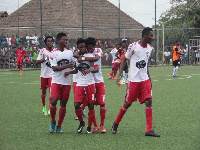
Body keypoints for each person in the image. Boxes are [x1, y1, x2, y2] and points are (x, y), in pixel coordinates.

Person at [112, 27, 160, 137]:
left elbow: (146, 65)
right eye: (151, 36)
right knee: (127, 104)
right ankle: (115, 123)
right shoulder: (133, 46)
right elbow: (124, 59)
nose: (153, 38)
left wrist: (150, 80)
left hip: (145, 80)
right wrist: (119, 75)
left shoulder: (150, 48)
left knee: (149, 102)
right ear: (145, 36)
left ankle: (149, 130)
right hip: (133, 80)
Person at [65, 38, 99, 134]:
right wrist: (69, 72)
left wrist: (90, 70)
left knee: (91, 106)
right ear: (78, 48)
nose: (83, 48)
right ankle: (81, 122)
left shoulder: (91, 56)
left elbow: (96, 69)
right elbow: (77, 69)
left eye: (84, 46)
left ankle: (89, 126)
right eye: (81, 47)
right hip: (80, 84)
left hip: (90, 84)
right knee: (76, 105)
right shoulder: (76, 57)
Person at [76, 37, 107, 133]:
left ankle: (102, 126)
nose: (89, 50)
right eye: (87, 48)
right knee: (90, 105)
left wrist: (84, 58)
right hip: (89, 82)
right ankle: (95, 125)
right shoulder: (84, 52)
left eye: (90, 48)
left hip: (99, 81)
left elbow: (96, 58)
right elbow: (75, 55)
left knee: (102, 104)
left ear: (93, 46)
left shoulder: (98, 50)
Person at [48, 32, 74, 133]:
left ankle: (59, 125)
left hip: (66, 83)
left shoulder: (70, 52)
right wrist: (67, 66)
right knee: (53, 101)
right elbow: (54, 68)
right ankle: (53, 122)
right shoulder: (53, 53)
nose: (65, 41)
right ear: (58, 41)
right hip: (56, 81)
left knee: (63, 104)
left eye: (66, 40)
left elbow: (74, 62)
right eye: (64, 40)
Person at [36, 36, 54, 116]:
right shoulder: (42, 51)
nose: (50, 43)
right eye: (48, 41)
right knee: (43, 92)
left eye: (51, 41)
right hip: (44, 75)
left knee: (51, 92)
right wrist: (45, 59)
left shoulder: (55, 51)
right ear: (45, 42)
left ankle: (50, 108)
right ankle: (44, 107)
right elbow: (37, 62)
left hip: (52, 75)